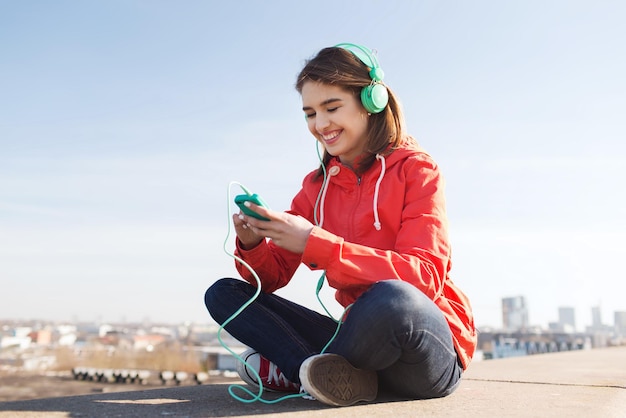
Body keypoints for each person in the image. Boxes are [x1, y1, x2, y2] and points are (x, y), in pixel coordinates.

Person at [205, 42, 477, 407]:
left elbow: (424, 277)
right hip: (358, 346)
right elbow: (268, 281)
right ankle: (317, 373)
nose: (320, 125)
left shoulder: (416, 168)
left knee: (393, 299)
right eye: (309, 114)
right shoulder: (315, 188)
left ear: (371, 102)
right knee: (224, 294)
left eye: (332, 108)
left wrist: (315, 243)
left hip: (422, 346)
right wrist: (253, 242)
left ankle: (297, 370)